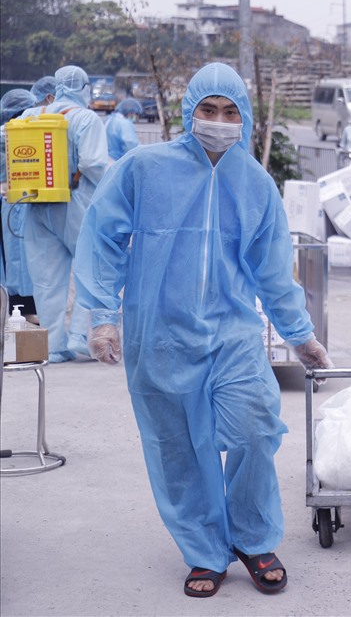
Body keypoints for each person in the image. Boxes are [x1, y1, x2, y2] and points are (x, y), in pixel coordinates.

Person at [74, 62, 333, 598]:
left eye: (230, 112)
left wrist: (301, 335)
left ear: (246, 117)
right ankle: (204, 551)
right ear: (191, 113)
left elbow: (271, 270)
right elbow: (102, 237)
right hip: (160, 333)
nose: (218, 121)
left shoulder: (256, 184)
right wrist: (102, 315)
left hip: (233, 331)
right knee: (178, 446)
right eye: (208, 110)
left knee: (255, 430)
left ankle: (253, 537)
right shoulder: (145, 168)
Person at [18, 65, 110, 362]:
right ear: (83, 87)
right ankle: (81, 337)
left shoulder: (30, 116)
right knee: (91, 270)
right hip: (76, 206)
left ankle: (54, 346)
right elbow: (94, 164)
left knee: (46, 279)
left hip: (35, 205)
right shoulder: (85, 119)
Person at [0, 89, 38, 322]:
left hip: (14, 200)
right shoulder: (11, 133)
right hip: (13, 201)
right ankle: (23, 310)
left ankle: (20, 309)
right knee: (17, 260)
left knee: (16, 261)